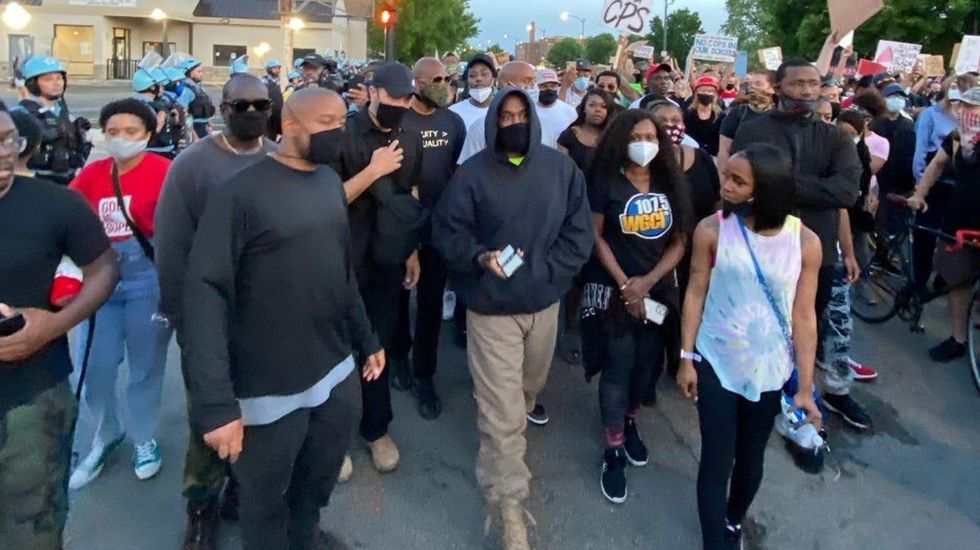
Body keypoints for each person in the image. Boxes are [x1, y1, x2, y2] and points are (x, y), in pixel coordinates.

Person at [181, 87, 384, 550]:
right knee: (264, 502)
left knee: (317, 483)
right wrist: (216, 405)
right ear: (289, 126)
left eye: (341, 121)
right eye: (324, 122)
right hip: (266, 390)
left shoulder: (330, 183)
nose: (338, 131)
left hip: (334, 373)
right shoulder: (239, 194)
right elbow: (205, 292)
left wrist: (367, 338)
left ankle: (306, 537)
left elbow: (342, 272)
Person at [433, 87, 593, 550]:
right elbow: (449, 233)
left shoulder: (562, 169)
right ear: (493, 121)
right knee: (502, 411)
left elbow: (578, 233)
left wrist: (549, 275)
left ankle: (514, 418)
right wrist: (480, 258)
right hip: (490, 309)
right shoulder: (471, 175)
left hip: (543, 305)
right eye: (506, 116)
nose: (515, 122)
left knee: (527, 388)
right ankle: (508, 504)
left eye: (523, 114)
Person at [678, 144, 822, 550]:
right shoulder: (712, 229)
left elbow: (805, 316)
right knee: (716, 460)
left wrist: (806, 389)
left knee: (751, 458)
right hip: (716, 362)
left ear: (767, 189)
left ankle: (733, 520)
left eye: (738, 181)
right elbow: (694, 292)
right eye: (727, 175)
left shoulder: (804, 242)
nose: (726, 185)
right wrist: (687, 357)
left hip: (771, 370)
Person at [154, 74, 278, 549]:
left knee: (258, 414)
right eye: (239, 104)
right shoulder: (192, 165)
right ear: (223, 108)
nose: (250, 112)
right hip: (207, 317)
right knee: (207, 415)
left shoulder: (278, 159)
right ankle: (201, 505)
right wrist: (183, 318)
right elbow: (171, 246)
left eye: (259, 104)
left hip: (264, 318)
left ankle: (241, 491)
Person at [0, 109, 119, 548]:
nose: (5, 155)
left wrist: (54, 325)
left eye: (11, 140)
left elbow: (105, 266)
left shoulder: (56, 204)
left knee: (33, 522)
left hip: (31, 397)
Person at [732, 59, 866, 431]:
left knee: (804, 328)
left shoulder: (835, 137)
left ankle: (798, 400)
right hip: (759, 249)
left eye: (814, 83)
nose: (808, 91)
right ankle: (753, 396)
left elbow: (846, 192)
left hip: (816, 254)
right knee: (756, 327)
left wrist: (779, 183)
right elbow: (742, 187)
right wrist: (811, 187)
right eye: (798, 84)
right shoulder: (753, 129)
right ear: (778, 86)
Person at [580, 109, 691, 503]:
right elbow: (596, 236)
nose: (644, 143)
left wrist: (648, 282)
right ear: (619, 141)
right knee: (618, 365)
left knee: (647, 366)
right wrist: (627, 286)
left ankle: (630, 424)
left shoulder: (668, 182)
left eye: (651, 135)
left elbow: (679, 241)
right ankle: (612, 448)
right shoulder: (605, 182)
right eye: (635, 136)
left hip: (656, 291)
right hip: (614, 291)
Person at [65, 98, 174, 492]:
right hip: (101, 283)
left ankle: (144, 436)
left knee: (145, 366)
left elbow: (182, 229)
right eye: (113, 132)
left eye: (131, 132)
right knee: (94, 367)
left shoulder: (166, 171)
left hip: (148, 282)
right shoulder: (93, 174)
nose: (122, 139)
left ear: (148, 133)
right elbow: (67, 218)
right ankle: (106, 434)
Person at [326, 62, 425, 476]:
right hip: (339, 260)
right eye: (393, 97)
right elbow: (326, 201)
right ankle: (331, 441)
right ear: (372, 93)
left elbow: (411, 195)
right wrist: (373, 171)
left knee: (377, 346)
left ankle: (376, 430)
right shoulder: (342, 136)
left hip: (386, 261)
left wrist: (412, 252)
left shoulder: (410, 135)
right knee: (334, 354)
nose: (399, 105)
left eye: (406, 99)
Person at [389, 57, 466, 420]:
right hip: (401, 227)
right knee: (399, 300)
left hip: (439, 229)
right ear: (416, 83)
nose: (444, 83)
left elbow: (455, 171)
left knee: (432, 304)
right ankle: (398, 358)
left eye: (447, 78)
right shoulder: (399, 120)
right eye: (436, 78)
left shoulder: (453, 122)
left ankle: (424, 374)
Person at [907, 86, 980, 362]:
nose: (966, 113)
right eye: (963, 107)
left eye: (973, 108)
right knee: (957, 281)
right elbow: (937, 164)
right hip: (960, 220)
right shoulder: (958, 138)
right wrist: (919, 193)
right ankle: (958, 338)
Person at [457, 61, 563, 164]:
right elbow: (468, 169)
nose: (533, 86)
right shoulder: (481, 128)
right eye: (527, 81)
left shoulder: (542, 121)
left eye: (534, 81)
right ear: (507, 85)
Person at [15, 56, 92, 185]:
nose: (57, 83)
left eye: (59, 78)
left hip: (69, 181)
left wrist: (81, 134)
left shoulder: (65, 113)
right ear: (32, 83)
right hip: (35, 183)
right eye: (48, 79)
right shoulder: (21, 113)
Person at [717, 70, 776, 173]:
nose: (752, 87)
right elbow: (724, 150)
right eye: (751, 84)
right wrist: (723, 178)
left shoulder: (780, 115)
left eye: (758, 84)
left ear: (772, 88)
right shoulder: (738, 112)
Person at [557, 88, 617, 174]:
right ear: (584, 108)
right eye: (592, 105)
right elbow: (561, 169)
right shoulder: (570, 135)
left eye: (603, 106)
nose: (598, 110)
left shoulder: (612, 137)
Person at [132, 68, 178, 158]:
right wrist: (163, 113)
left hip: (166, 150)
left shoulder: (158, 102)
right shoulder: (141, 105)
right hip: (153, 153)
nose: (163, 88)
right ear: (153, 87)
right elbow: (155, 129)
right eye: (161, 85)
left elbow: (176, 121)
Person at [450, 54, 497, 131]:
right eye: (472, 75)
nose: (478, 78)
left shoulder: (503, 111)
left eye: (484, 74)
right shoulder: (453, 113)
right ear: (467, 81)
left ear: (494, 79)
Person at [534, 68, 578, 147]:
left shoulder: (569, 111)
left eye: (553, 86)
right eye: (544, 86)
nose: (549, 89)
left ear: (557, 86)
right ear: (537, 86)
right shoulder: (529, 110)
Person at [684, 75, 723, 156]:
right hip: (691, 155)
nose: (706, 93)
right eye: (703, 90)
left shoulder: (721, 116)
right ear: (696, 93)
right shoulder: (687, 115)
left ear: (715, 94)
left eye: (710, 91)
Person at [181, 57, 216, 140]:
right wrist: (194, 136)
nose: (202, 74)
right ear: (190, 73)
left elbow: (205, 107)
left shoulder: (199, 88)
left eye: (202, 71)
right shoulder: (187, 90)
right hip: (195, 129)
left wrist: (209, 123)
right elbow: (185, 115)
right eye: (199, 71)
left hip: (204, 128)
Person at [260, 59, 284, 139]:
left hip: (277, 112)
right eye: (274, 68)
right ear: (269, 69)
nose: (277, 70)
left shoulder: (278, 81)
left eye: (278, 68)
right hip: (268, 112)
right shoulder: (264, 81)